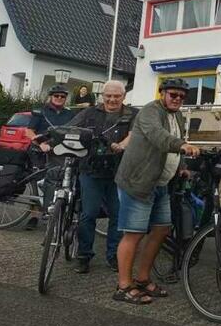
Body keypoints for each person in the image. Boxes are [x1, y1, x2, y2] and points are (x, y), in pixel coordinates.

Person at [112, 78, 201, 304]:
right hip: (139, 182)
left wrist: (181, 166)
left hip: (161, 183)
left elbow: (173, 145)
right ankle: (123, 286)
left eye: (182, 96)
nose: (177, 99)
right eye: (173, 95)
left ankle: (142, 279)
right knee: (134, 233)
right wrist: (182, 145)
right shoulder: (150, 112)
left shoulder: (177, 115)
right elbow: (159, 137)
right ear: (162, 93)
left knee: (161, 230)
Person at [68, 80, 137, 274]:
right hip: (91, 170)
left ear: (124, 97)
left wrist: (121, 145)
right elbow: (70, 128)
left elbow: (133, 134)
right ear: (102, 96)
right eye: (109, 95)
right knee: (88, 214)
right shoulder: (89, 113)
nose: (112, 99)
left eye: (117, 96)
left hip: (119, 172)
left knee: (117, 215)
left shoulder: (132, 114)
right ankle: (84, 255)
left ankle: (113, 256)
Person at [23, 85, 76, 230]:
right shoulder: (41, 112)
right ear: (51, 96)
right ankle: (34, 216)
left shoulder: (70, 114)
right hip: (39, 152)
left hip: (60, 152)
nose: (59, 98)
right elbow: (29, 131)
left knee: (60, 181)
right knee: (38, 183)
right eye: (56, 96)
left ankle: (54, 211)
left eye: (62, 96)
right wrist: (40, 143)